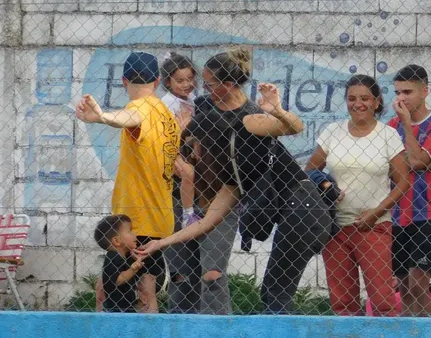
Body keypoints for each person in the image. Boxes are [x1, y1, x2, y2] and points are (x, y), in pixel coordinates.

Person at [136, 48, 331, 315]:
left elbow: (294, 127)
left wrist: (277, 110)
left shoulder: (247, 123)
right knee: (274, 292)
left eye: (210, 83)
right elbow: (205, 222)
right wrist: (160, 243)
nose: (193, 157)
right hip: (290, 209)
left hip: (303, 207)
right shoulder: (232, 178)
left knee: (275, 291)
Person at [75, 51, 179, 314]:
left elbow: (128, 118)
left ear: (123, 81)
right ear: (157, 81)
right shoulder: (166, 114)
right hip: (159, 216)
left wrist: (101, 117)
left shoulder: (139, 108)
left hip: (135, 221)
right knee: (147, 292)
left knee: (107, 289)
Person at [307, 75, 409, 316]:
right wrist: (324, 187)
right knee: (342, 301)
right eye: (352, 98)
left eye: (365, 98)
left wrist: (375, 213)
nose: (358, 104)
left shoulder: (387, 135)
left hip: (373, 226)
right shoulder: (333, 131)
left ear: (376, 102)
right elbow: (311, 171)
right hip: (334, 228)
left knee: (383, 299)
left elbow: (403, 182)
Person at [388, 64, 431, 316]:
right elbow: (387, 164)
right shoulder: (390, 124)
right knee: (403, 285)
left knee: (418, 283)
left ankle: (426, 336)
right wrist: (422, 163)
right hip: (396, 212)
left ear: (424, 91)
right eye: (397, 93)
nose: (401, 99)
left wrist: (407, 127)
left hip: (428, 213)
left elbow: (415, 160)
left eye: (407, 92)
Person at [158, 52, 202, 313]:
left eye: (189, 79)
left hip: (189, 153)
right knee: (180, 259)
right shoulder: (167, 104)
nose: (186, 84)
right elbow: (169, 137)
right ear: (167, 83)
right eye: (180, 81)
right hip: (173, 156)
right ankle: (188, 214)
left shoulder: (193, 100)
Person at [94, 214, 143, 314]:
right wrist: (133, 269)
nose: (135, 234)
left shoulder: (124, 257)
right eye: (130, 231)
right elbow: (117, 280)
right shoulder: (113, 257)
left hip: (125, 307)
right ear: (117, 241)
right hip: (117, 310)